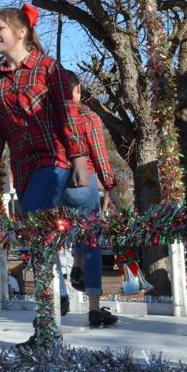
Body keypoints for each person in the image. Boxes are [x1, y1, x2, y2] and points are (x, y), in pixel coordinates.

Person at [0, 4, 89, 345]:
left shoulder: (48, 68)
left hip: (53, 161)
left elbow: (68, 117)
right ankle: (55, 300)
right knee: (35, 235)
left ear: (20, 32)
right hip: (23, 170)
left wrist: (80, 159)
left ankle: (48, 321)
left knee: (35, 226)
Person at [64, 70, 122, 328]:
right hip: (82, 179)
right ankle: (95, 309)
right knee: (93, 242)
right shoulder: (87, 116)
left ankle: (63, 289)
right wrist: (112, 189)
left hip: (52, 182)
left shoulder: (46, 118)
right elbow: (99, 156)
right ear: (77, 90)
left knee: (58, 234)